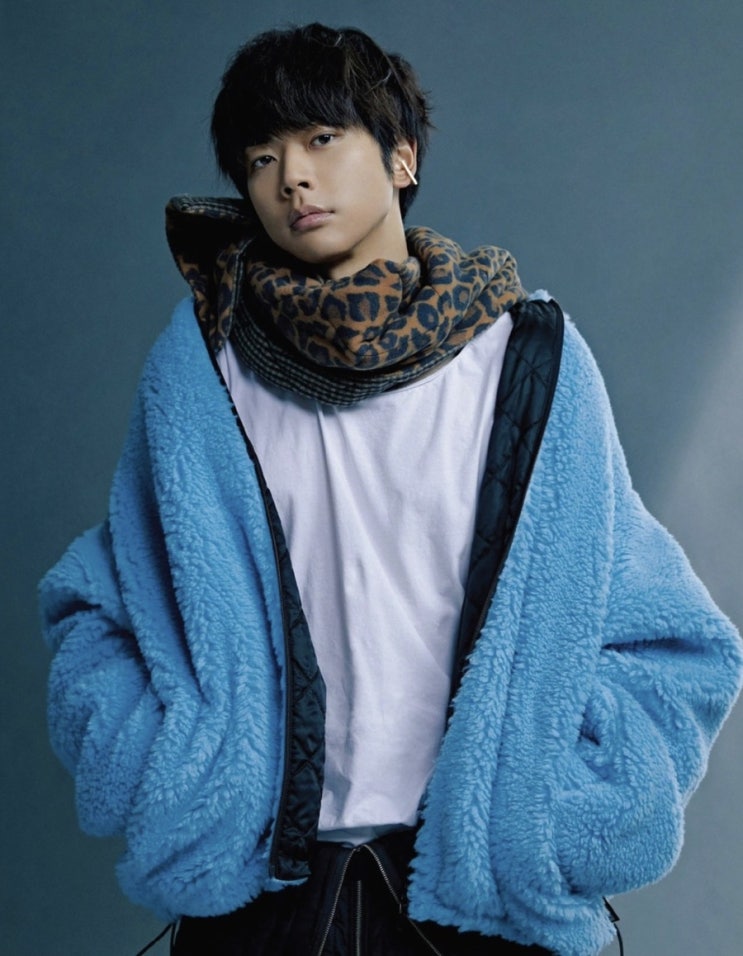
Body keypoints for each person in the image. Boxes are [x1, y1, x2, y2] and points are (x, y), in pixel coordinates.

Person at [39, 22, 742, 956]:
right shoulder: (204, 373)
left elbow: (667, 633)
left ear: (400, 156)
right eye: (260, 159)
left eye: (321, 138)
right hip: (263, 900)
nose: (291, 178)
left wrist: (561, 822)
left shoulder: (524, 361)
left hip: (478, 900)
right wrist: (169, 781)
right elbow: (99, 607)